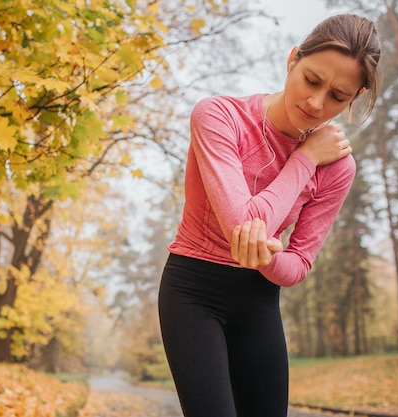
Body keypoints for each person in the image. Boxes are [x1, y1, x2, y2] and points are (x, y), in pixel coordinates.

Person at [158, 14, 382, 417]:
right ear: (293, 59)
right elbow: (242, 223)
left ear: (354, 98)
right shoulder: (219, 118)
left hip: (259, 301)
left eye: (338, 96)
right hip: (192, 291)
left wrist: (266, 256)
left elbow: (298, 265)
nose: (317, 104)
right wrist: (305, 158)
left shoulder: (339, 169)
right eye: (312, 80)